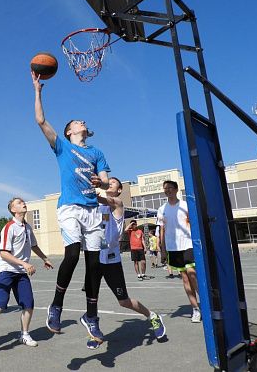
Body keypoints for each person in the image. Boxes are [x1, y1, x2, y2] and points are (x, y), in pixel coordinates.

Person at [32, 72, 110, 343]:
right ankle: (56, 305)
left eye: (83, 121)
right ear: (69, 131)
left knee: (94, 265)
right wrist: (38, 91)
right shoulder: (62, 147)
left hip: (92, 211)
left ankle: (91, 316)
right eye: (78, 121)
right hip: (69, 208)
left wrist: (101, 182)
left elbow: (108, 182)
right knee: (73, 255)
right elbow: (40, 120)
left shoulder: (97, 153)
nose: (82, 122)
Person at [86, 178, 166, 349]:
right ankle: (94, 332)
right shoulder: (95, 206)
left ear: (119, 190)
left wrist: (90, 187)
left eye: (112, 183)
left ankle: (152, 316)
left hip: (111, 260)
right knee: (92, 298)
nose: (109, 184)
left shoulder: (117, 203)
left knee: (124, 301)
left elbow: (102, 199)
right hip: (94, 257)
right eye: (108, 182)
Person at [0, 197, 53, 358]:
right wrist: (24, 264)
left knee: (28, 303)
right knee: (1, 302)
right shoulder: (9, 227)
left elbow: (34, 246)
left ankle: (24, 334)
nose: (23, 203)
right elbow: (3, 253)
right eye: (19, 203)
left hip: (20, 272)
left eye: (23, 201)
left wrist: (45, 258)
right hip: (7, 270)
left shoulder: (28, 227)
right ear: (13, 210)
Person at [157, 180, 200, 323]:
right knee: (185, 278)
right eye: (165, 188)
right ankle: (195, 309)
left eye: (170, 188)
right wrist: (162, 250)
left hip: (188, 244)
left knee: (192, 275)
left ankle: (206, 304)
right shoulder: (162, 209)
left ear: (176, 189)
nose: (167, 190)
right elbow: (162, 230)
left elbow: (194, 223)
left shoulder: (185, 205)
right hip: (173, 247)